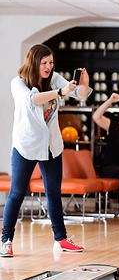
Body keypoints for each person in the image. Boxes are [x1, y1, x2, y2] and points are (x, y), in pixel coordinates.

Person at [1, 44, 90, 257]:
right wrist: (61, 92)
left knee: (53, 193)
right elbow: (32, 100)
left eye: (51, 62)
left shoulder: (55, 78)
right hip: (26, 145)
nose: (49, 66)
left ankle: (61, 239)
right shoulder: (18, 83)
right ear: (34, 63)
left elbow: (80, 95)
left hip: (51, 145)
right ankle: (6, 240)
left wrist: (83, 85)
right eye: (44, 63)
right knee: (17, 193)